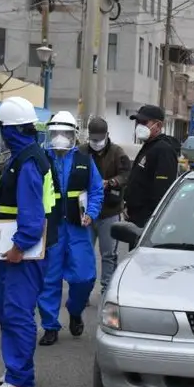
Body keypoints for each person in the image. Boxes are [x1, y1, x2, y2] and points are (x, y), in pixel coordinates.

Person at [0, 97, 59, 387]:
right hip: (17, 247)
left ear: (11, 130)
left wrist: (19, 247)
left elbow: (32, 213)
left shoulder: (28, 162)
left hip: (24, 252)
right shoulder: (27, 156)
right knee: (8, 311)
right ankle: (14, 369)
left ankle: (20, 377)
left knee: (17, 311)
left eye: (2, 129)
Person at [36, 111, 104, 346]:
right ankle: (50, 326)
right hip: (51, 228)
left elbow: (96, 190)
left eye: (65, 132)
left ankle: (75, 310)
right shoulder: (41, 159)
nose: (60, 137)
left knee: (85, 277)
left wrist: (91, 213)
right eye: (56, 132)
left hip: (78, 228)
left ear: (73, 135)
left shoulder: (85, 161)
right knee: (49, 280)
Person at [79, 117, 131, 297]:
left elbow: (126, 175)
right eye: (93, 139)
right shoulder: (81, 151)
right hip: (85, 212)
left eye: (99, 139)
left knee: (108, 254)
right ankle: (83, 290)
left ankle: (106, 289)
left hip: (109, 211)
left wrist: (111, 182)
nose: (96, 143)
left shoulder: (118, 153)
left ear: (107, 135)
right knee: (84, 253)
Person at [122, 105, 181, 228]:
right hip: (135, 216)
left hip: (147, 221)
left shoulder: (163, 150)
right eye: (138, 122)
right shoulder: (149, 146)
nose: (139, 126)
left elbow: (161, 191)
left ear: (158, 126)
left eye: (144, 122)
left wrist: (149, 220)